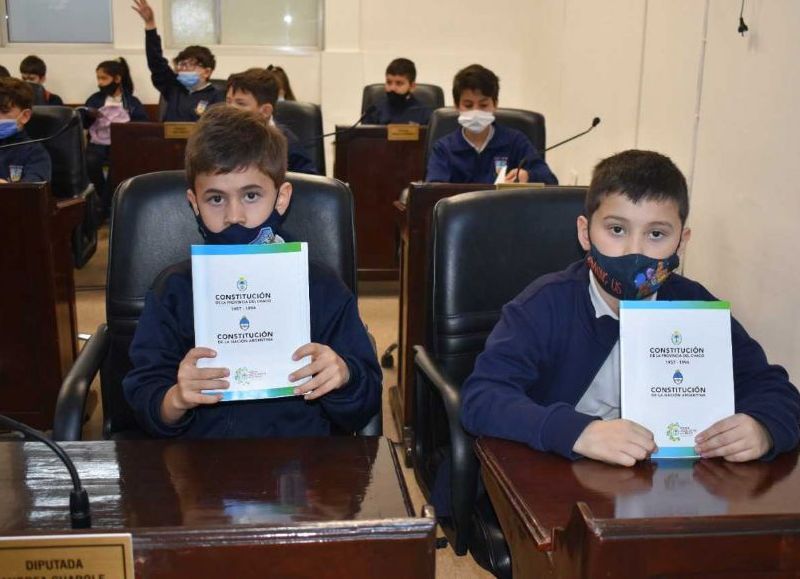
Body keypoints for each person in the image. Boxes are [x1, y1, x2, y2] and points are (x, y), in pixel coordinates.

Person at [460, 150, 800, 466]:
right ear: (585, 233)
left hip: (664, 483)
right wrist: (578, 431)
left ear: (681, 241)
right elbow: (482, 397)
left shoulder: (696, 309)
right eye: (617, 229)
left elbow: (776, 391)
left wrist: (763, 427)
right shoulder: (545, 304)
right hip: (560, 470)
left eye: (656, 234)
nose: (633, 250)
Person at [123, 106, 381, 438]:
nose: (235, 216)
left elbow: (366, 399)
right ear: (194, 203)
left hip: (303, 463)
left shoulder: (320, 285)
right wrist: (175, 398)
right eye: (216, 199)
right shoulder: (173, 290)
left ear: (281, 198)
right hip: (203, 464)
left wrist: (344, 375)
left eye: (251, 195)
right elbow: (144, 395)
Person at [426, 64, 557, 185]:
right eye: (468, 105)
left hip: (506, 209)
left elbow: (550, 180)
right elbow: (433, 192)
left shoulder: (515, 141)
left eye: (483, 105)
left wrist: (528, 175)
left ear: (495, 104)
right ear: (456, 106)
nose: (476, 111)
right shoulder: (443, 149)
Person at [132, 0, 223, 121]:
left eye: (189, 66)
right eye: (180, 65)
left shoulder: (217, 97)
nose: (182, 70)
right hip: (166, 139)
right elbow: (156, 62)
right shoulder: (174, 88)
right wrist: (150, 24)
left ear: (206, 72)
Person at [83, 57, 148, 214]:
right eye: (98, 78)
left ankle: (105, 207)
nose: (100, 82)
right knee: (90, 161)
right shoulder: (95, 99)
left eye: (104, 78)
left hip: (122, 145)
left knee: (119, 164)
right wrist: (89, 115)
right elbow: (83, 122)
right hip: (97, 143)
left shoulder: (131, 102)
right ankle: (100, 201)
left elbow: (142, 125)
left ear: (117, 78)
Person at [226, 68, 317, 174]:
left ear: (265, 111)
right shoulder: (218, 135)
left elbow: (309, 183)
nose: (229, 108)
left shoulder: (286, 142)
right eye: (228, 101)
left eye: (240, 103)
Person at [0, 77, 51, 183]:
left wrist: (6, 188)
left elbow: (32, 193)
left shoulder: (35, 153)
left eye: (4, 111)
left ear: (25, 116)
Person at [362, 58, 432, 125]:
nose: (392, 88)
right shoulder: (374, 110)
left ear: (412, 86)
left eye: (399, 83)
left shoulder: (425, 113)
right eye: (389, 82)